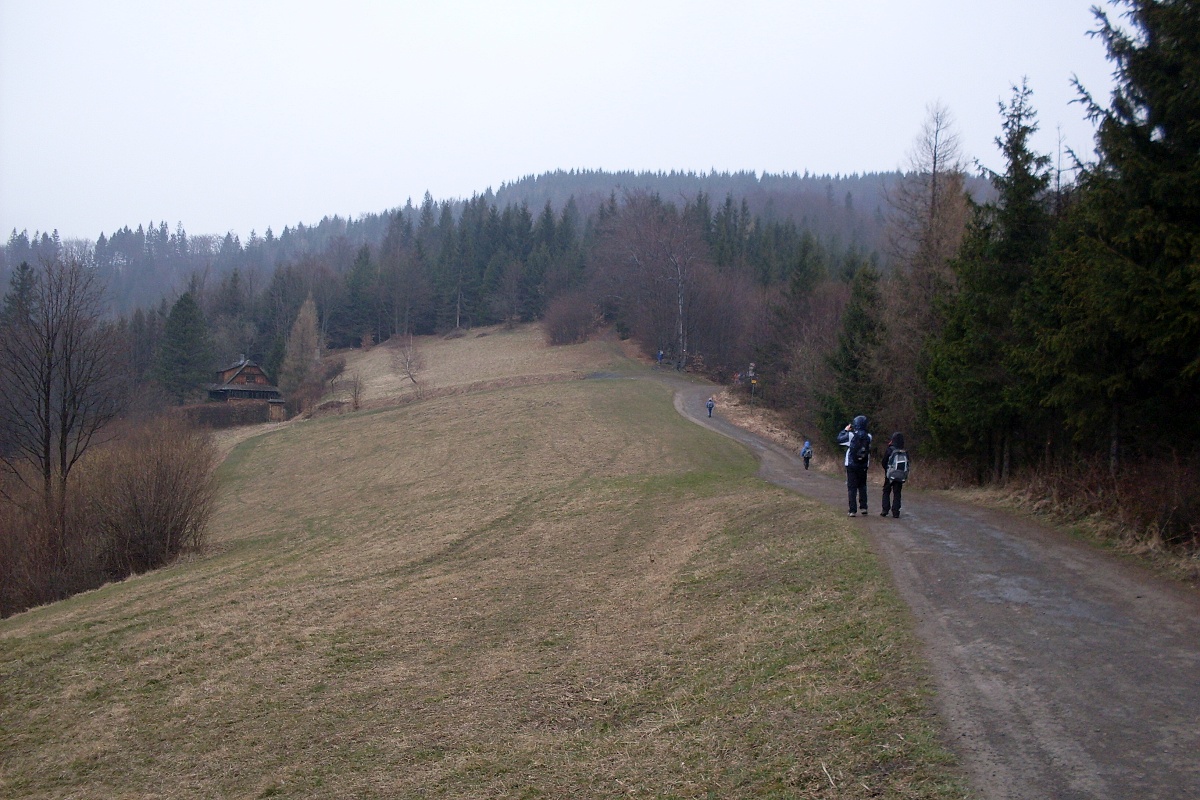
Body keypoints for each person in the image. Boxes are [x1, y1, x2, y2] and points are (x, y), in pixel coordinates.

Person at [836, 415, 872, 516]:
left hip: (851, 464)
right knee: (862, 486)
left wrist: (845, 430)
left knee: (852, 488)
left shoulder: (851, 436)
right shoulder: (869, 437)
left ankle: (852, 510)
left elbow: (839, 439)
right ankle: (864, 507)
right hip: (864, 465)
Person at [881, 432, 905, 518]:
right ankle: (896, 512)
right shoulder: (903, 451)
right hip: (900, 475)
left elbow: (884, 462)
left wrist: (887, 470)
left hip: (889, 474)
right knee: (897, 493)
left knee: (886, 491)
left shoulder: (890, 449)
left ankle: (885, 510)